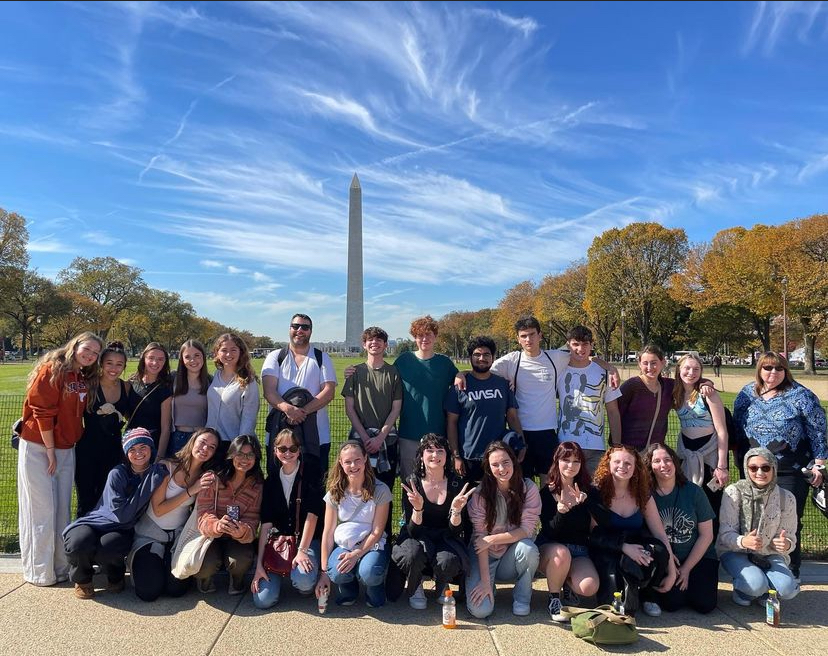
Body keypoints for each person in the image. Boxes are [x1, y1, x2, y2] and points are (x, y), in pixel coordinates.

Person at [463, 317, 617, 482]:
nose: (528, 339)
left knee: (549, 481)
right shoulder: (511, 361)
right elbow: (481, 370)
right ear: (518, 339)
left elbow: (583, 355)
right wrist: (461, 374)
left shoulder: (556, 357)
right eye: (523, 336)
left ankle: (548, 508)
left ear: (540, 335)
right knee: (522, 482)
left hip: (547, 432)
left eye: (532, 334)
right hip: (521, 432)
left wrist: (610, 367)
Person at [18, 331, 103, 586]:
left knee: (61, 509)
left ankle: (61, 566)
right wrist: (50, 450)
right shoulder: (51, 368)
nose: (89, 355)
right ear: (75, 345)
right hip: (40, 447)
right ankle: (39, 572)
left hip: (66, 447)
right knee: (41, 510)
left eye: (95, 353)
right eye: (86, 349)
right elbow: (42, 411)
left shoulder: (81, 376)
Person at [733, 352, 826, 579]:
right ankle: (755, 569)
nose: (773, 373)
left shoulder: (801, 395)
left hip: (790, 470)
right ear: (759, 370)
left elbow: (818, 430)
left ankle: (789, 570)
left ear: (786, 371)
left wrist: (819, 463)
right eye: (767, 368)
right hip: (754, 470)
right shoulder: (747, 394)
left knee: (787, 520)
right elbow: (736, 428)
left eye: (778, 369)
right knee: (753, 519)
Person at [63, 428, 167, 599]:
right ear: (126, 453)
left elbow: (125, 520)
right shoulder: (117, 473)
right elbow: (121, 514)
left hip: (122, 528)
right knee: (78, 542)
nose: (138, 453)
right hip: (96, 521)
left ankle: (115, 576)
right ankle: (83, 579)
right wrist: (148, 485)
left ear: (151, 448)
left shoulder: (157, 472)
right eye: (132, 449)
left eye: (143, 447)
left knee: (109, 546)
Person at [130, 428, 220, 602]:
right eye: (202, 442)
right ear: (193, 441)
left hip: (178, 538)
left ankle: (165, 562)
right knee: (148, 592)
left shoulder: (204, 476)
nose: (205, 448)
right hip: (150, 535)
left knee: (176, 590)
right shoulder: (166, 466)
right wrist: (191, 490)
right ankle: (144, 562)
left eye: (212, 447)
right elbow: (159, 509)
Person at [588, 445, 676, 617]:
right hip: (607, 548)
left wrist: (671, 570)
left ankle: (648, 594)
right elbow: (593, 534)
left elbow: (659, 534)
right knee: (622, 609)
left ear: (636, 467)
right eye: (617, 462)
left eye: (628, 463)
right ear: (608, 464)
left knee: (658, 551)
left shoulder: (642, 494)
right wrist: (623, 547)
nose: (623, 466)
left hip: (635, 549)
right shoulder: (596, 493)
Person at [392, 434, 473, 610]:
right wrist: (418, 509)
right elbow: (413, 530)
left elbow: (455, 531)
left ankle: (441, 583)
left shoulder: (456, 484)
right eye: (429, 450)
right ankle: (416, 583)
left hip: (445, 535)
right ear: (421, 455)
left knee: (449, 561)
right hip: (418, 534)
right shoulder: (412, 483)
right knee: (412, 554)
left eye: (439, 451)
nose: (435, 455)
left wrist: (456, 511)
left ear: (447, 456)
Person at [466, 441, 541, 618]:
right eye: (495, 464)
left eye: (506, 462)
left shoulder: (528, 488)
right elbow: (480, 542)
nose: (502, 468)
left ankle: (522, 599)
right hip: (484, 557)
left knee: (529, 549)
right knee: (481, 611)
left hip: (510, 555)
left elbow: (526, 531)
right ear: (488, 468)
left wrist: (492, 539)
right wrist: (485, 582)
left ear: (514, 461)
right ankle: (487, 584)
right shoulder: (480, 494)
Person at [717, 447, 800, 606]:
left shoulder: (786, 497)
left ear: (774, 469)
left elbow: (790, 537)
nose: (760, 472)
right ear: (746, 469)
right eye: (753, 468)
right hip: (736, 552)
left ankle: (765, 591)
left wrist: (786, 544)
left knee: (788, 589)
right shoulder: (734, 492)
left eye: (766, 467)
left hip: (770, 554)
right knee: (755, 586)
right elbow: (725, 534)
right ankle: (744, 591)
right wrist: (743, 541)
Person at [251, 428, 323, 609]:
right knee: (262, 600)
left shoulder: (312, 474)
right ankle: (283, 571)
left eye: (293, 448)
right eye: (282, 449)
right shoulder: (271, 481)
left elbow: (312, 516)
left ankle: (303, 584)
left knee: (304, 579)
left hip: (307, 540)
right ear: (275, 451)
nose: (288, 453)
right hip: (280, 542)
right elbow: (266, 525)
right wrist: (259, 565)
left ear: (299, 450)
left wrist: (302, 551)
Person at [315, 440, 391, 608]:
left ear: (365, 459)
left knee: (369, 573)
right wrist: (324, 572)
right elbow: (327, 533)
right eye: (348, 461)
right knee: (335, 571)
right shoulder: (334, 492)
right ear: (341, 463)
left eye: (357, 460)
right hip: (345, 546)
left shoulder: (381, 490)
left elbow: (377, 531)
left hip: (373, 544)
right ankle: (349, 590)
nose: (353, 465)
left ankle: (374, 588)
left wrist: (357, 554)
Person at [643, 443, 717, 614]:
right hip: (667, 557)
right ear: (650, 467)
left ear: (675, 462)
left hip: (698, 556)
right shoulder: (647, 495)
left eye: (667, 460)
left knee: (705, 605)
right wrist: (670, 567)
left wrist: (686, 569)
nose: (663, 465)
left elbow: (707, 535)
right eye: (657, 461)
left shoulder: (694, 492)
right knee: (672, 604)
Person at [341, 326, 402, 527]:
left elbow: (396, 409)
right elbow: (349, 408)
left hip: (387, 441)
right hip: (360, 441)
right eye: (370, 340)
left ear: (385, 345)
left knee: (385, 489)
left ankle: (383, 536)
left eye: (379, 340)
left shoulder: (393, 372)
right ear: (364, 345)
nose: (374, 343)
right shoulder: (354, 372)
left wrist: (379, 438)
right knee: (358, 489)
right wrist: (366, 438)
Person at [262, 314, 337, 473]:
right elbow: (269, 391)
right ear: (289, 329)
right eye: (295, 326)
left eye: (305, 327)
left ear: (311, 331)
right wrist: (288, 410)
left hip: (317, 435)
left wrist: (301, 412)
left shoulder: (322, 358)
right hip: (280, 435)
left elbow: (329, 391)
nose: (299, 330)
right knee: (278, 483)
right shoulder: (275, 357)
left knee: (315, 484)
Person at [445, 336, 524, 484]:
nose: (482, 358)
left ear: (493, 358)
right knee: (469, 503)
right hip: (469, 456)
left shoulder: (503, 384)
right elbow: (451, 423)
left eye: (486, 355)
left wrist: (522, 443)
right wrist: (456, 456)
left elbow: (512, 417)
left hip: (498, 457)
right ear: (470, 357)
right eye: (477, 355)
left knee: (498, 502)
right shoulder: (460, 387)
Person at [194, 434, 264, 595]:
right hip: (210, 536)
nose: (245, 459)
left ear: (256, 458)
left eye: (250, 455)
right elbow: (203, 513)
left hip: (236, 538)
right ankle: (204, 579)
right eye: (240, 454)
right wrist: (216, 526)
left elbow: (253, 521)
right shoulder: (212, 478)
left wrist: (242, 531)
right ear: (231, 455)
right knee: (205, 565)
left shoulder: (257, 485)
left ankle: (237, 579)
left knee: (240, 561)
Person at [537, 441, 599, 622]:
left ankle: (567, 583)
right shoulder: (547, 493)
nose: (571, 466)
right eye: (566, 460)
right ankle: (554, 599)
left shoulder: (589, 492)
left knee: (589, 587)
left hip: (579, 550)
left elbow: (602, 523)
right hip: (551, 549)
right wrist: (561, 512)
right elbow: (549, 531)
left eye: (576, 461)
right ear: (557, 461)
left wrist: (588, 504)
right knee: (562, 553)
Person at [394, 315, 458, 482]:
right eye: (420, 335)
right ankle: (409, 510)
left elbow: (461, 380)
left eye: (429, 334)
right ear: (414, 338)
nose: (425, 339)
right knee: (410, 482)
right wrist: (355, 371)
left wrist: (462, 374)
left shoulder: (444, 363)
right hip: (409, 433)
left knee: (437, 482)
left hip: (438, 433)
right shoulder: (404, 361)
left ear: (435, 336)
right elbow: (383, 378)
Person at [618, 344, 713, 452]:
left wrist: (705, 383)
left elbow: (689, 380)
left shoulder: (669, 386)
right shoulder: (631, 386)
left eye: (654, 363)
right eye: (645, 363)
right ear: (639, 364)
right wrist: (616, 444)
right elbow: (615, 415)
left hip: (654, 452)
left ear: (662, 363)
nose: (649, 367)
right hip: (629, 452)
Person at [556, 325, 622, 475]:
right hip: (566, 445)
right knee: (568, 494)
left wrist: (616, 446)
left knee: (595, 494)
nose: (580, 349)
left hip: (595, 447)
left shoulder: (606, 373)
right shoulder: (559, 371)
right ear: (568, 345)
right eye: (575, 344)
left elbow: (613, 411)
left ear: (591, 345)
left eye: (585, 344)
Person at [74, 341, 129, 518]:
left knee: (107, 498)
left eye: (119, 364)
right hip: (87, 450)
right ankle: (81, 540)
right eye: (109, 363)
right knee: (86, 499)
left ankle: (103, 539)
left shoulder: (126, 387)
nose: (114, 368)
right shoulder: (89, 385)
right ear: (101, 364)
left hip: (113, 451)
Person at [672, 354, 729, 518]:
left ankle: (713, 540)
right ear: (679, 370)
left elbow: (722, 431)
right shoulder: (675, 393)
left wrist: (722, 466)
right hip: (686, 453)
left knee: (711, 501)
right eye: (687, 368)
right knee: (687, 499)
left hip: (709, 454)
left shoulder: (708, 394)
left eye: (696, 369)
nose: (691, 372)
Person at [206, 333, 260, 448]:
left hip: (233, 444)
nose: (228, 354)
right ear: (217, 353)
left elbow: (249, 418)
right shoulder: (215, 376)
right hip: (211, 443)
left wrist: (240, 446)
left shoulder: (248, 381)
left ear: (241, 352)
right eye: (224, 350)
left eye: (233, 350)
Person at [128, 342, 173, 459]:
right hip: (131, 443)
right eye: (151, 358)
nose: (155, 363)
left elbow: (166, 427)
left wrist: (160, 455)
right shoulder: (132, 382)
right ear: (143, 359)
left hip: (152, 444)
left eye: (160, 359)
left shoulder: (165, 388)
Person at [169, 340, 211, 456]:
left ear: (203, 357)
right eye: (187, 357)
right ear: (182, 360)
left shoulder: (210, 381)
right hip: (178, 437)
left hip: (202, 439)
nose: (192, 360)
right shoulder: (173, 379)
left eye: (197, 355)